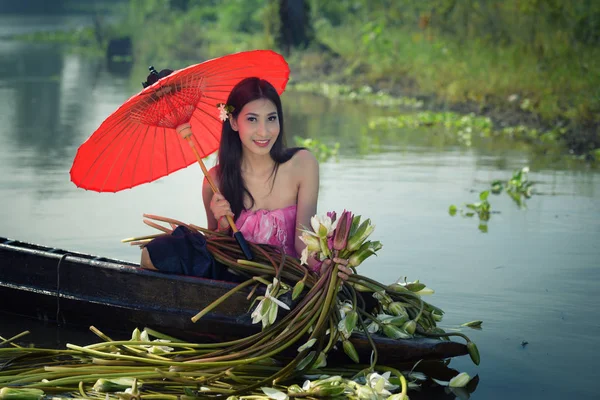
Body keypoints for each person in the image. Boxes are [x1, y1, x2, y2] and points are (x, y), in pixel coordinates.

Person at [142, 77, 350, 280]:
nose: (264, 131)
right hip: (235, 279)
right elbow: (216, 249)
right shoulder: (215, 181)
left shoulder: (303, 164)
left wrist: (322, 267)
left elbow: (302, 242)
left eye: (271, 118)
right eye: (252, 119)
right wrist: (223, 226)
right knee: (157, 252)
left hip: (288, 279)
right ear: (233, 122)